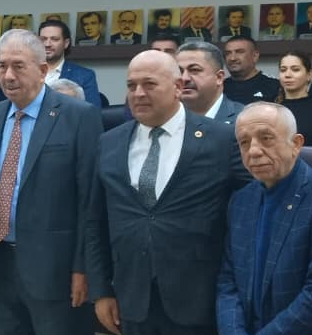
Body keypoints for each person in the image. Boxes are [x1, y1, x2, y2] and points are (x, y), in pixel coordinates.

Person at [86, 50, 250, 335]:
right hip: (131, 297)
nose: (138, 93)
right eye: (131, 85)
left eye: (149, 84)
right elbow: (95, 221)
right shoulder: (109, 142)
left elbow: (254, 208)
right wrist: (100, 290)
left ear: (177, 87)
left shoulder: (221, 140)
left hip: (199, 298)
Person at [0, 28, 101, 335]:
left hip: (56, 271)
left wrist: (83, 268)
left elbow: (90, 201)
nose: (8, 76)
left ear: (42, 70)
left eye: (18, 66)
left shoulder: (78, 116)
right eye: (2, 66)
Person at [216, 103, 312, 335]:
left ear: (296, 144)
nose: (253, 151)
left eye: (266, 138)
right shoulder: (241, 201)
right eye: (244, 142)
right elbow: (229, 282)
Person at [36, 19, 105, 107]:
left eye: (54, 39)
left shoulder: (84, 76)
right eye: (43, 39)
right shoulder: (26, 72)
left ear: (66, 43)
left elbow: (93, 111)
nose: (47, 44)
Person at [177, 42, 245, 125]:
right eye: (179, 71)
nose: (184, 78)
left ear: (219, 77)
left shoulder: (245, 119)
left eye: (194, 70)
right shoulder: (165, 118)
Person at [222, 37, 280, 103]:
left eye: (239, 52)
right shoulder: (219, 87)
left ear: (255, 56)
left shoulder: (274, 85)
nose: (232, 58)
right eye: (228, 53)